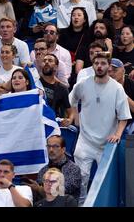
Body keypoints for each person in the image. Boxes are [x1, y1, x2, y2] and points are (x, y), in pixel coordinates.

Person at [69, 51, 131, 202]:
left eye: (103, 63)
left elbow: (123, 117)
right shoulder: (83, 84)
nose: (99, 66)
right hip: (85, 141)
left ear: (109, 66)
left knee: (104, 183)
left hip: (106, 144)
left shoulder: (117, 88)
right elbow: (71, 99)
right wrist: (75, 117)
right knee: (82, 181)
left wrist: (117, 134)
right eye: (96, 63)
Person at [26, 135, 81, 202]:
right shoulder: (43, 170)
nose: (51, 150)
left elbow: (64, 191)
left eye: (55, 146)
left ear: (63, 149)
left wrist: (39, 189)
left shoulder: (73, 169)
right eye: (49, 146)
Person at [40, 54, 74, 121]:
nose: (46, 62)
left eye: (50, 60)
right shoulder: (34, 83)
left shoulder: (62, 88)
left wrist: (69, 120)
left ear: (56, 67)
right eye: (44, 61)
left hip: (53, 123)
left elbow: (71, 112)